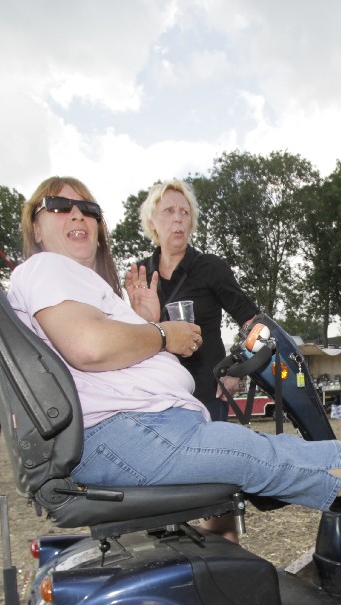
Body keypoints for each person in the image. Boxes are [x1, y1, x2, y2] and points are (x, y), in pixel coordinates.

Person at [6, 176, 341, 518]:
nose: (78, 216)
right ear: (35, 227)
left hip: (166, 409)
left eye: (88, 209)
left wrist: (147, 324)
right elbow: (89, 346)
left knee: (258, 456)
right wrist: (163, 333)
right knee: (270, 457)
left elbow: (246, 319)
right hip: (129, 429)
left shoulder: (198, 269)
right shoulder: (48, 267)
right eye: (59, 206)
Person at [124, 179, 261, 540]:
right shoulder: (140, 276)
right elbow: (128, 340)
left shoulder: (210, 268)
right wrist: (136, 316)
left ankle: (229, 560)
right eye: (169, 211)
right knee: (163, 494)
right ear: (152, 221)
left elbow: (255, 324)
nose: (178, 219)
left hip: (206, 394)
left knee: (215, 491)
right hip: (157, 399)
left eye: (185, 212)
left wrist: (235, 367)